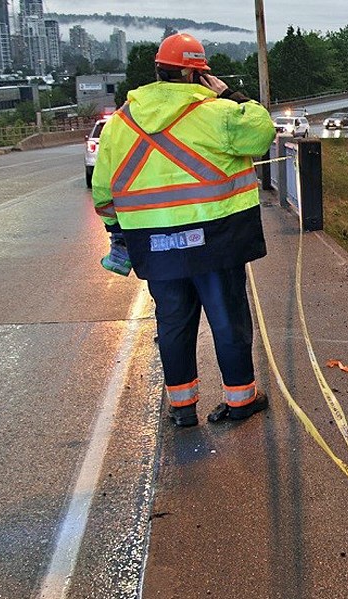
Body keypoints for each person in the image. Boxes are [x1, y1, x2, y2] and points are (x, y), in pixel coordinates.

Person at [92, 32, 276, 427]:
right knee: (228, 320)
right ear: (198, 75)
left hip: (154, 244)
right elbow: (263, 133)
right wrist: (233, 95)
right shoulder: (218, 113)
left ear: (158, 72)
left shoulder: (121, 122)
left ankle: (182, 408)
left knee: (172, 323)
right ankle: (241, 401)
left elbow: (103, 190)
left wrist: (117, 231)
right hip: (216, 238)